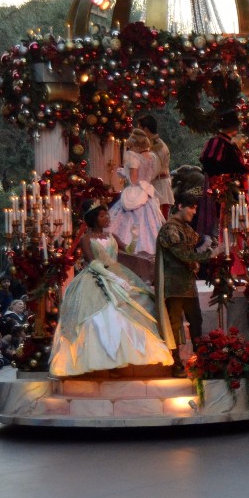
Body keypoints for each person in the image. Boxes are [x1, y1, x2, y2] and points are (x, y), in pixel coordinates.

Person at [49, 204, 173, 377]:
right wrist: (112, 277)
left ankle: (124, 359)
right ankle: (102, 360)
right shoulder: (86, 238)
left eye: (107, 215)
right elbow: (92, 261)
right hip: (96, 276)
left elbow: (128, 250)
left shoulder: (111, 235)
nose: (107, 218)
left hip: (119, 272)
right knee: (103, 315)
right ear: (94, 219)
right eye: (102, 215)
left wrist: (135, 237)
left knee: (134, 309)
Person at [155, 189, 217, 375]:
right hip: (173, 287)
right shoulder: (170, 228)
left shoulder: (186, 228)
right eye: (192, 208)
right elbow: (183, 254)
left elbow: (196, 246)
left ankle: (201, 363)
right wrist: (209, 255)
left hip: (188, 285)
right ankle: (176, 365)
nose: (194, 212)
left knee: (196, 322)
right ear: (180, 206)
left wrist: (212, 247)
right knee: (175, 325)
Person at [108, 127, 166, 256]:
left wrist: (125, 174)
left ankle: (130, 250)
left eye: (131, 146)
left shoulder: (132, 157)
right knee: (151, 225)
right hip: (147, 193)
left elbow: (134, 180)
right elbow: (149, 177)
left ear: (136, 146)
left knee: (126, 221)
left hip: (136, 193)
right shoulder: (152, 157)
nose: (130, 149)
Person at [137, 114, 175, 218]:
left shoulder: (157, 147)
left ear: (145, 129)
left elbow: (152, 170)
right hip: (154, 187)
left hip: (159, 189)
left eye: (139, 129)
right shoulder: (151, 144)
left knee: (158, 223)